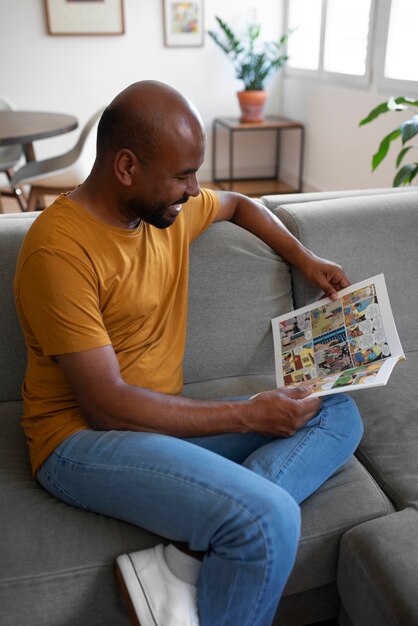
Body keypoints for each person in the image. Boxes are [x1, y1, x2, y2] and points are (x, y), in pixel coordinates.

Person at [14, 81, 363, 626]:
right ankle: (239, 522)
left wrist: (305, 257)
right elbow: (105, 405)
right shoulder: (58, 251)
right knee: (268, 517)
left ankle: (184, 561)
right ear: (126, 167)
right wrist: (249, 413)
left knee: (336, 408)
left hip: (156, 422)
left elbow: (241, 204)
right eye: (181, 176)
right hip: (79, 440)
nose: (194, 189)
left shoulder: (166, 212)